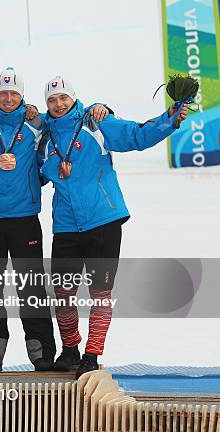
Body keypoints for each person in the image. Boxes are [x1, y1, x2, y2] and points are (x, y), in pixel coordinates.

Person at [37, 76, 188, 378]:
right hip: (66, 225)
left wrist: (168, 119)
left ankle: (91, 353)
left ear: (73, 98)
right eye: (52, 100)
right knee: (63, 292)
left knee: (100, 292)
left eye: (63, 98)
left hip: (103, 220)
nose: (58, 104)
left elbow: (136, 135)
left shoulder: (96, 123)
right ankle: (70, 349)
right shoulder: (42, 134)